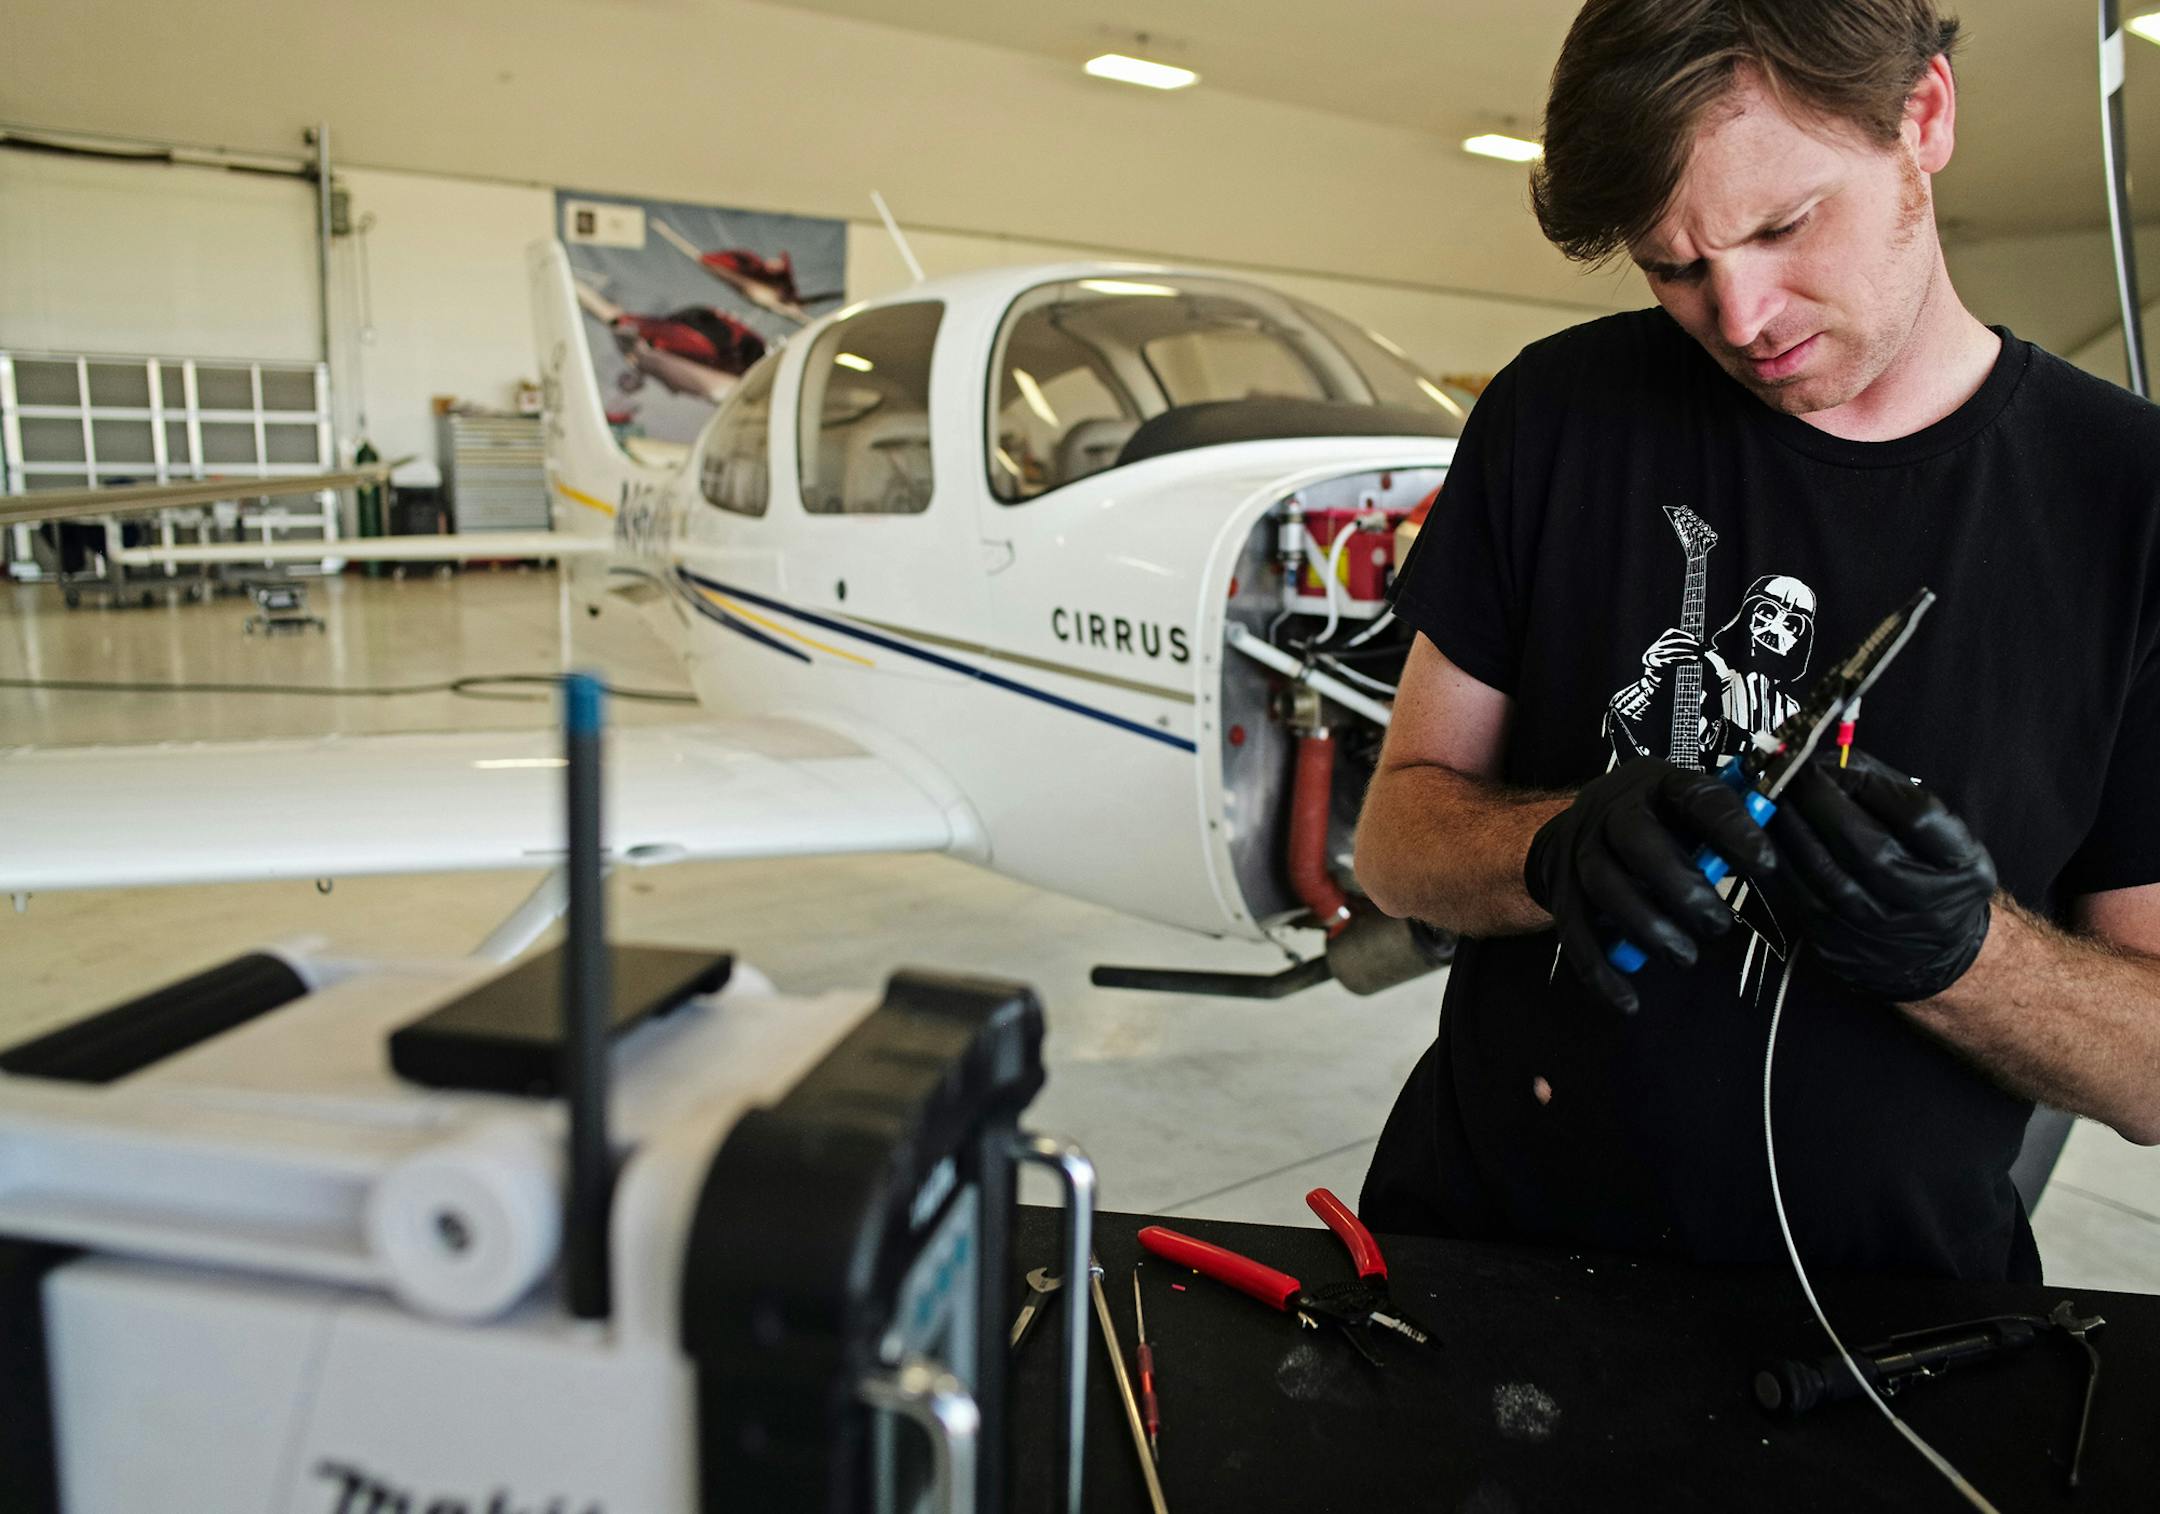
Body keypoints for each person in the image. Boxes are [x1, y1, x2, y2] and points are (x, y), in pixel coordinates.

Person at [1354, 0, 2160, 1284]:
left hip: (1883, 1335)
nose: (1739, 316)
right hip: (1481, 1259)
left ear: (1925, 118)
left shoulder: (2129, 499)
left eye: (1785, 226)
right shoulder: (1557, 415)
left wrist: (1970, 955)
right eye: (1673, 267)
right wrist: (1548, 845)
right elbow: (1393, 843)